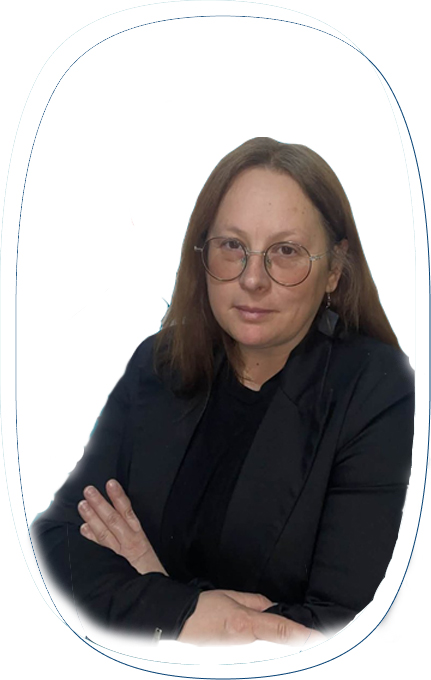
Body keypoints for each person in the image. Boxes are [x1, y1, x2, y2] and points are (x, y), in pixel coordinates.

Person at [31, 137, 414, 646]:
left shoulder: (377, 390)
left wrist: (153, 585)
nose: (252, 279)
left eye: (286, 251)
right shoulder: (160, 363)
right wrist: (180, 609)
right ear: (203, 252)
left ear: (335, 271)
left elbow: (336, 630)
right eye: (232, 245)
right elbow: (54, 546)